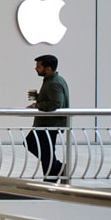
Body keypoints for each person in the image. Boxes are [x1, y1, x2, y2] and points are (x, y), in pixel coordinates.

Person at [25, 54, 70, 182]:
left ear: (48, 68)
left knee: (45, 152)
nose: (36, 69)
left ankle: (54, 173)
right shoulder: (53, 80)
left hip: (49, 124)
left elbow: (56, 104)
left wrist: (38, 104)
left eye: (39, 66)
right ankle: (56, 170)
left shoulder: (53, 83)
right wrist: (39, 97)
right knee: (39, 148)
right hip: (46, 123)